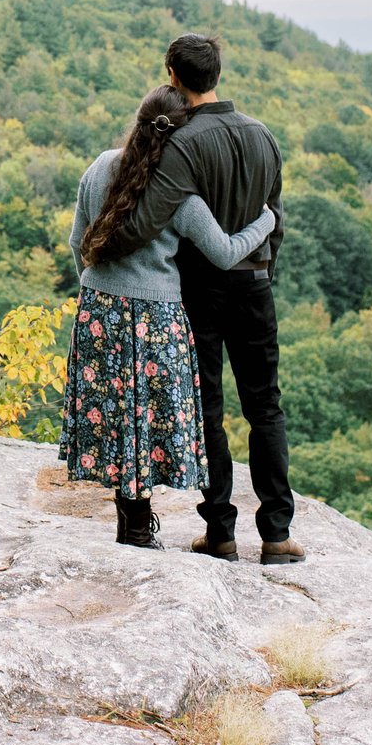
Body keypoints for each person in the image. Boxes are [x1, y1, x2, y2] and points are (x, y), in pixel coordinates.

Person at [110, 33, 300, 563]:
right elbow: (275, 219)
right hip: (256, 284)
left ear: (173, 74)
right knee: (266, 406)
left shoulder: (183, 144)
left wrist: (100, 246)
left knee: (209, 410)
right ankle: (277, 535)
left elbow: (146, 223)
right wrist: (263, 272)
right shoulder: (264, 136)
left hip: (202, 289)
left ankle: (220, 533)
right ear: (216, 73)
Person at [65, 85, 277, 549]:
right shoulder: (178, 192)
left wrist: (100, 286)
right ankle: (138, 530)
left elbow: (77, 242)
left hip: (99, 309)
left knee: (118, 415)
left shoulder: (100, 166)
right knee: (147, 418)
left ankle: (134, 523)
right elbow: (223, 253)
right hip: (156, 314)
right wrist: (265, 222)